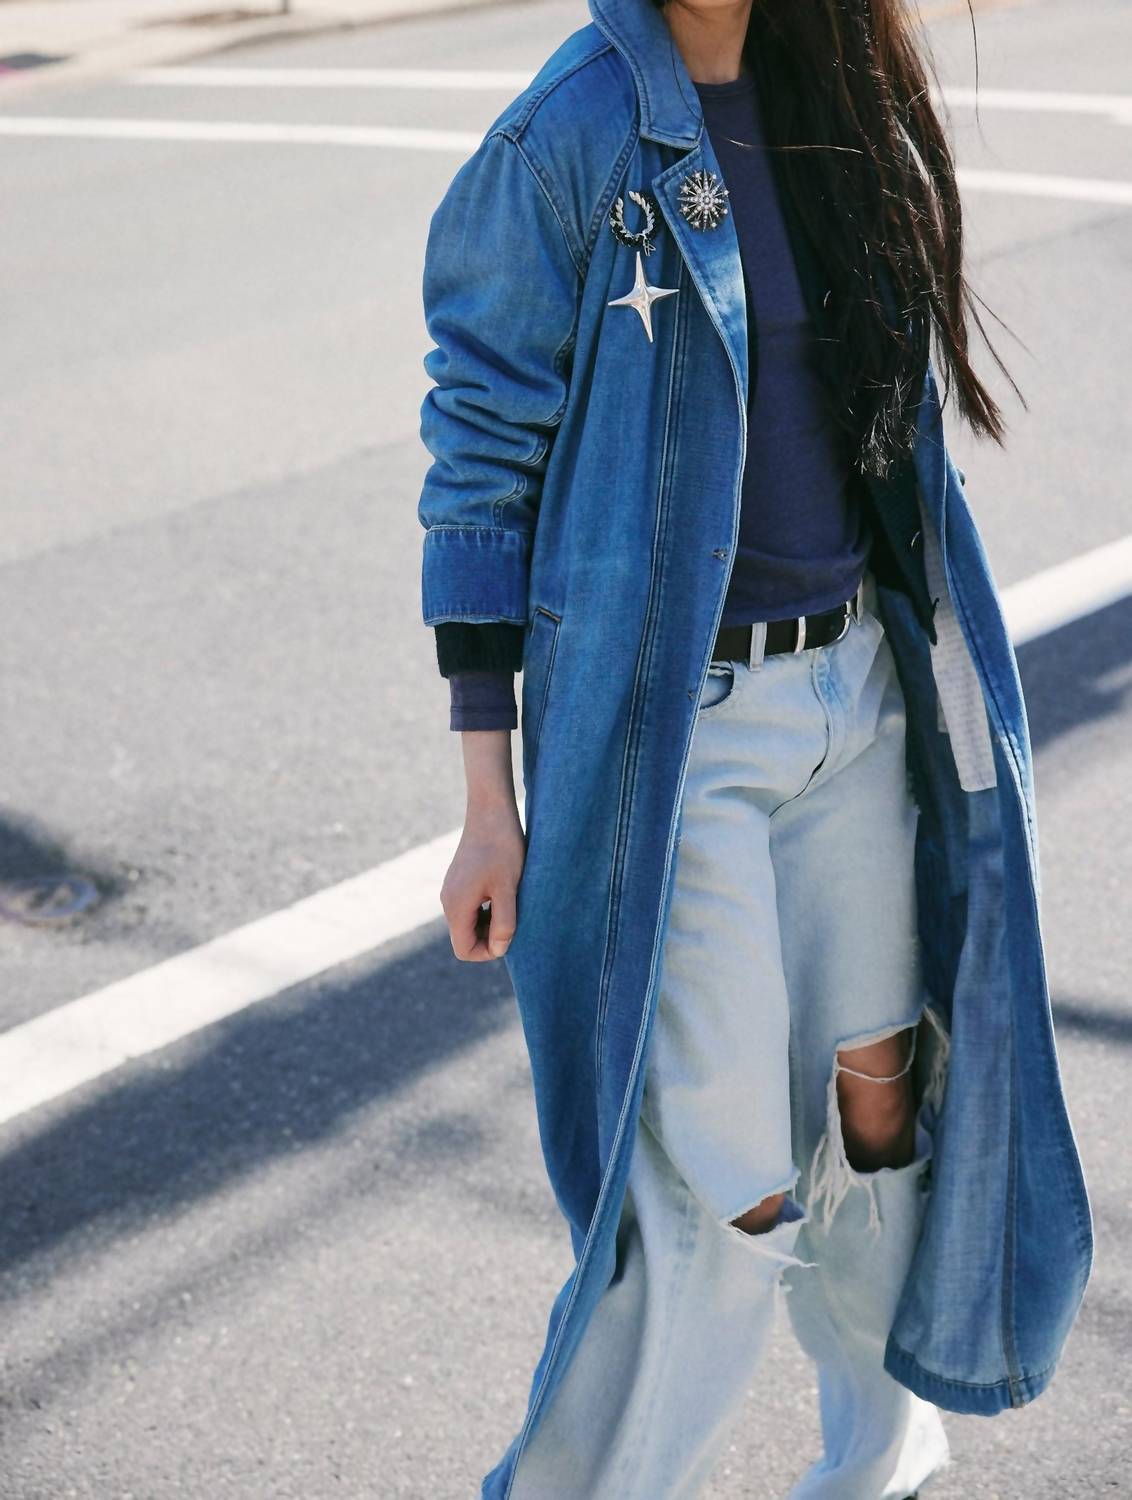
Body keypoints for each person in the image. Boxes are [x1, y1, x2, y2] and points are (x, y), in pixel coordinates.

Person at [415, 1, 1094, 1496]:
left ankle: (879, 1463)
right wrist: (488, 798)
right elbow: (478, 465)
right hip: (689, 738)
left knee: (879, 1112)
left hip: (862, 695)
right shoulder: (571, 135)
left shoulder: (831, 91)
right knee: (723, 1190)